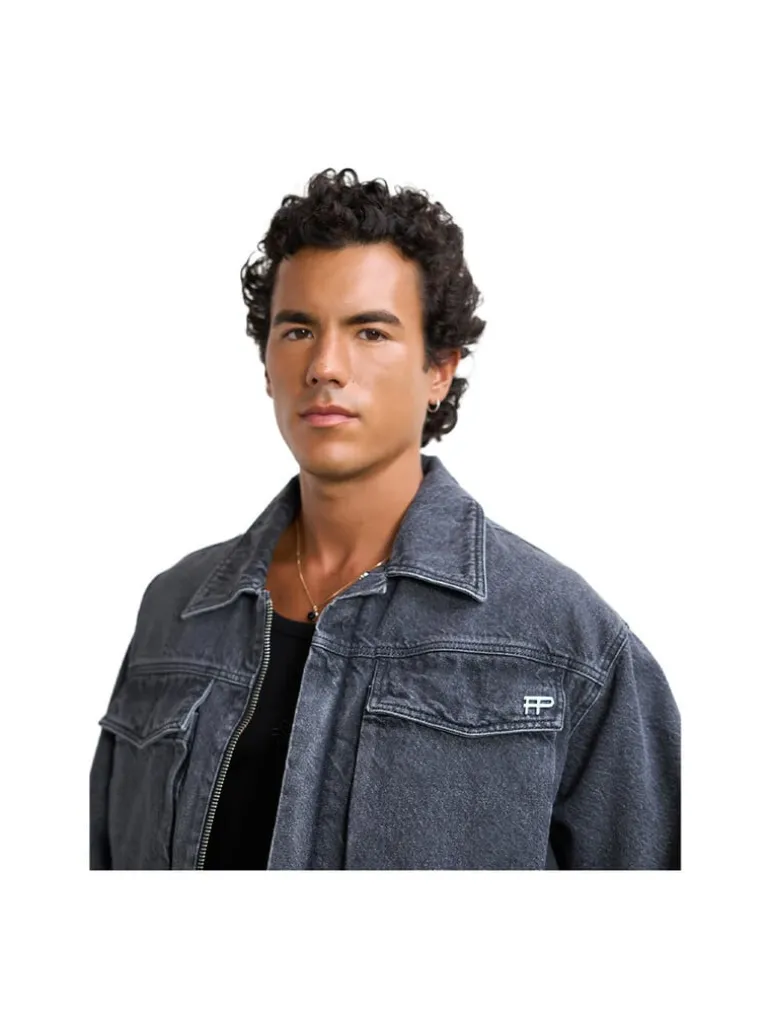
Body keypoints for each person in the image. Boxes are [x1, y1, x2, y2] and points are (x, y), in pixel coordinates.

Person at [90, 168, 681, 870]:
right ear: (267, 364)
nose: (325, 366)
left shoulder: (564, 639)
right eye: (298, 329)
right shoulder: (176, 610)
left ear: (440, 370)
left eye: (370, 332)